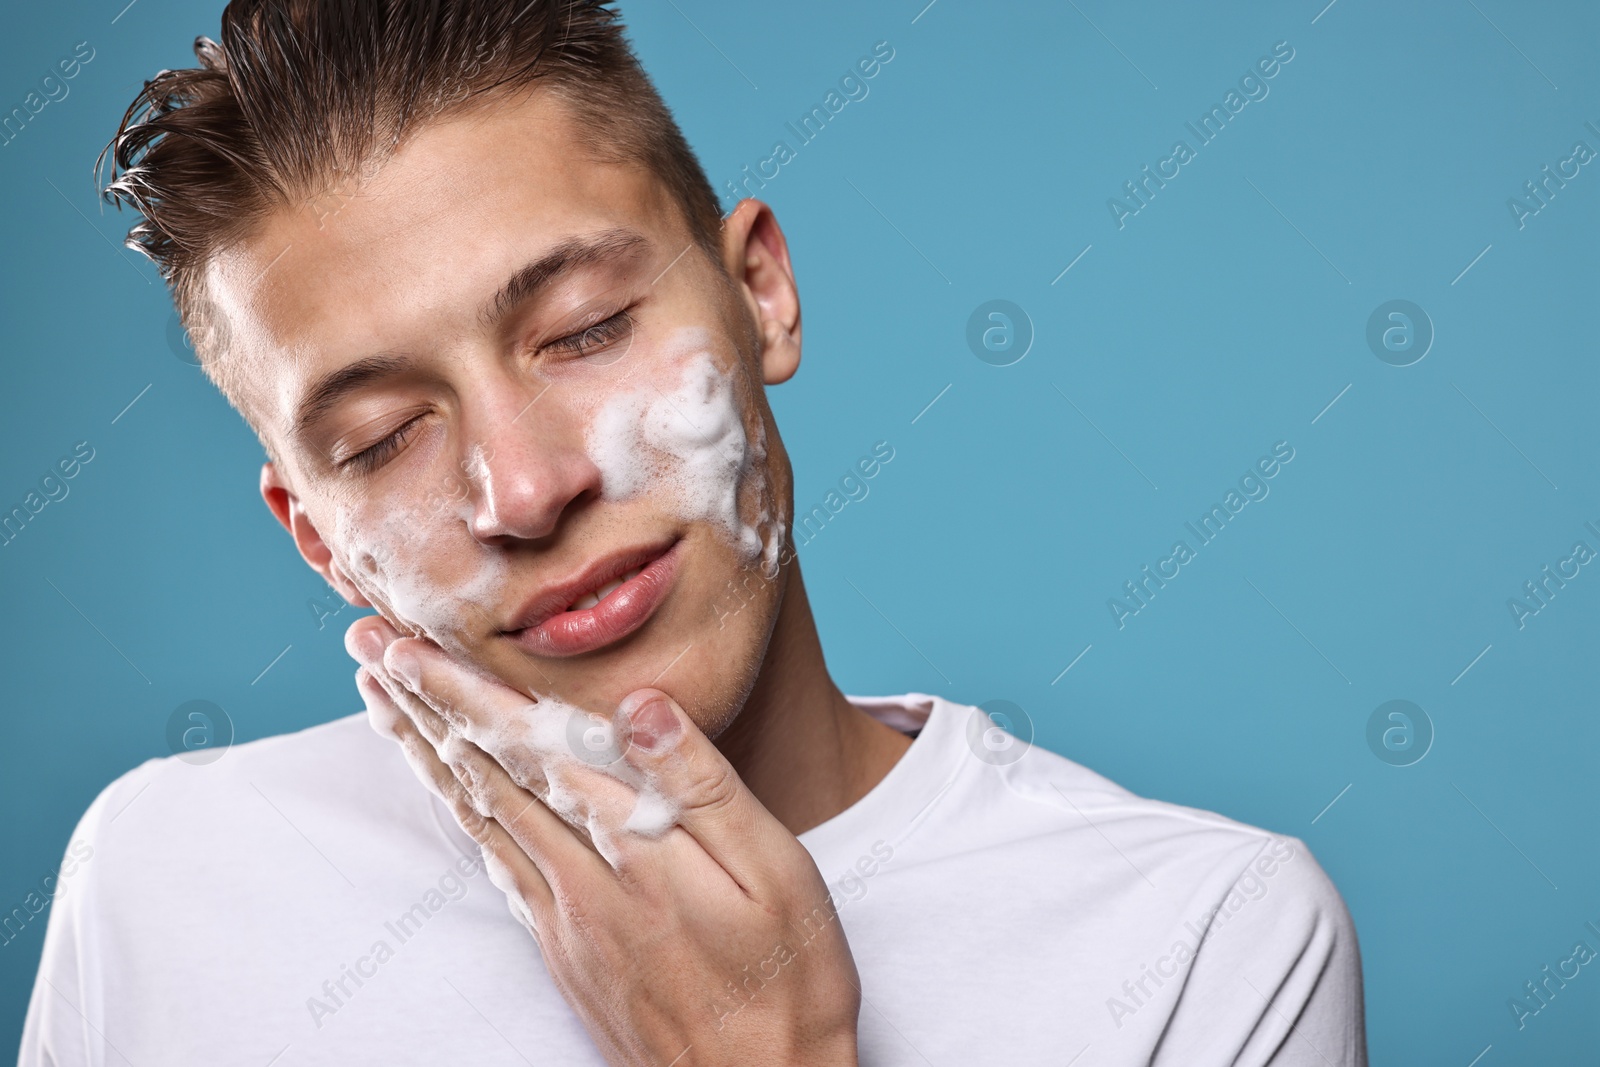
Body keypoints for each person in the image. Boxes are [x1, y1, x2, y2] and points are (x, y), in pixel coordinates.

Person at [20, 1, 1367, 1063]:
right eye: (380, 440)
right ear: (317, 537)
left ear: (761, 296)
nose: (527, 489)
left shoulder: (1208, 939)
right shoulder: (170, 880)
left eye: (588, 331)